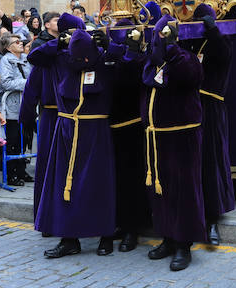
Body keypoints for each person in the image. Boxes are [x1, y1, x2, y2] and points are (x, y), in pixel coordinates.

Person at [38, 28, 116, 259]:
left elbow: (130, 60)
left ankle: (106, 235)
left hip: (95, 135)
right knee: (65, 187)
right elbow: (36, 56)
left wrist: (110, 45)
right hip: (67, 133)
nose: (79, 60)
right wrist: (58, 42)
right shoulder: (62, 62)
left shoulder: (104, 64)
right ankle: (69, 238)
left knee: (98, 186)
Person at [141, 15, 205, 271]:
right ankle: (167, 237)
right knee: (161, 191)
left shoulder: (184, 58)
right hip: (157, 137)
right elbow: (145, 78)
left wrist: (172, 51)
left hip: (182, 136)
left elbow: (192, 76)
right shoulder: (153, 61)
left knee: (184, 192)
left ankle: (183, 245)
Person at [23, 13, 84, 233]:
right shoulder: (48, 55)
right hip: (51, 117)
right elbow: (32, 86)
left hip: (71, 117)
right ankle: (47, 217)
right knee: (50, 168)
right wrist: (27, 117)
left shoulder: (78, 55)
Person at [183, 4, 235, 246]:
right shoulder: (188, 43)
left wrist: (213, 31)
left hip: (211, 109)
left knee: (211, 162)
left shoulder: (220, 41)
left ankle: (213, 219)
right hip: (188, 108)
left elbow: (224, 56)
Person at [107, 18, 151, 252]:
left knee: (132, 180)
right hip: (111, 126)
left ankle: (133, 228)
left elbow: (128, 76)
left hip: (133, 126)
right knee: (117, 180)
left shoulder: (138, 58)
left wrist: (119, 51)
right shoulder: (113, 55)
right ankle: (121, 223)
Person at [0, 34, 30, 186]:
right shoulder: (5, 60)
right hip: (12, 106)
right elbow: (6, 82)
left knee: (24, 141)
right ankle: (12, 174)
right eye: (16, 42)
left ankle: (22, 170)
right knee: (13, 141)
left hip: (26, 105)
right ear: (8, 47)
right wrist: (29, 83)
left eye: (21, 41)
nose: (20, 43)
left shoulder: (25, 59)